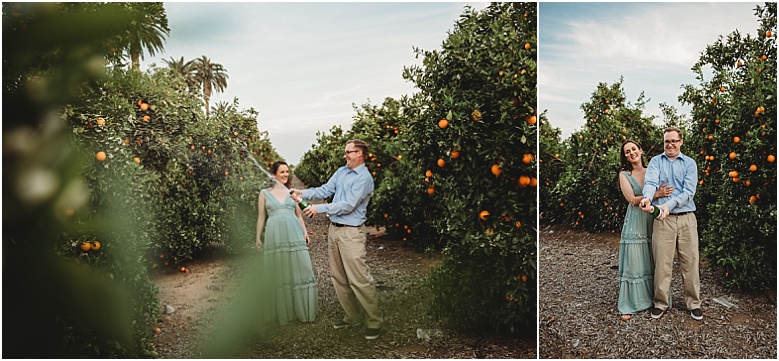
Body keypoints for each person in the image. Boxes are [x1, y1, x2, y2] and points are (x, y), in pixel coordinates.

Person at [290, 139, 383, 340]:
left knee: (359, 278)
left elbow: (348, 205)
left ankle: (374, 321)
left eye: (349, 152)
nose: (345, 155)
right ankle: (352, 317)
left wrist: (319, 209)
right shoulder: (342, 172)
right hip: (335, 230)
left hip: (351, 233)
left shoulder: (364, 178)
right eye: (345, 152)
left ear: (360, 154)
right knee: (338, 277)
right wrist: (301, 193)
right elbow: (324, 190)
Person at [639, 127, 702, 321]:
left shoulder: (690, 164)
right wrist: (648, 198)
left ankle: (694, 303)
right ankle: (660, 303)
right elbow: (650, 182)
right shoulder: (656, 162)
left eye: (674, 141)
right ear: (663, 143)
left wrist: (668, 205)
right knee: (662, 264)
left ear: (681, 142)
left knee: (690, 262)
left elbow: (688, 191)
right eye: (667, 141)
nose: (670, 145)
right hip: (662, 221)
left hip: (686, 219)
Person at [616, 140, 672, 320]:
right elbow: (632, 200)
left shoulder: (652, 171)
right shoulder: (625, 174)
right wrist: (655, 194)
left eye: (634, 149)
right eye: (627, 151)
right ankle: (630, 303)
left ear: (640, 150)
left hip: (653, 217)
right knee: (634, 259)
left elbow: (668, 190)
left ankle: (655, 300)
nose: (631, 153)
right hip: (636, 220)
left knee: (654, 258)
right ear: (625, 156)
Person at [256, 161, 317, 325]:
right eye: (282, 172)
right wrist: (257, 238)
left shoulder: (292, 192)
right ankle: (283, 313)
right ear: (274, 174)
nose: (285, 175)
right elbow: (261, 217)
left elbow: (298, 215)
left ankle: (302, 309)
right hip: (275, 234)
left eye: (287, 172)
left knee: (301, 267)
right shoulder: (264, 193)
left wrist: (304, 231)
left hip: (293, 231)